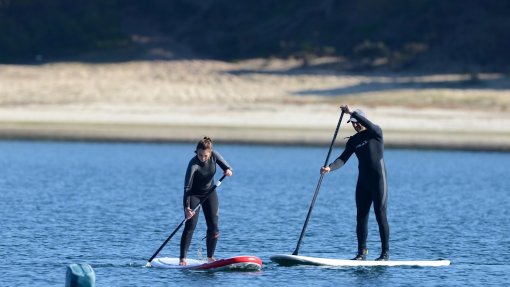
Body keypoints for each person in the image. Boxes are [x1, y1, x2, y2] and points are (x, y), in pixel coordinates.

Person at [320, 105, 390, 261]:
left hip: (379, 180)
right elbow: (343, 159)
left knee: (380, 214)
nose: (355, 124)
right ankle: (361, 253)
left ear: (363, 120)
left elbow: (369, 124)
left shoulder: (376, 133)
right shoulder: (353, 140)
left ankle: (385, 254)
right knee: (361, 216)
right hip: (363, 182)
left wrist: (352, 112)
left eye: (357, 121)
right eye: (352, 122)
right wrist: (329, 168)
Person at [179, 137, 233, 266]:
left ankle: (210, 257)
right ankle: (182, 258)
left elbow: (228, 167)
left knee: (214, 225)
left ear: (210, 153)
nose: (202, 158)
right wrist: (187, 208)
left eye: (205, 155)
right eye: (200, 155)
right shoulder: (193, 164)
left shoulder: (214, 156)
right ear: (196, 152)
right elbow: (187, 187)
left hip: (210, 193)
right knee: (190, 225)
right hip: (194, 195)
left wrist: (228, 171)